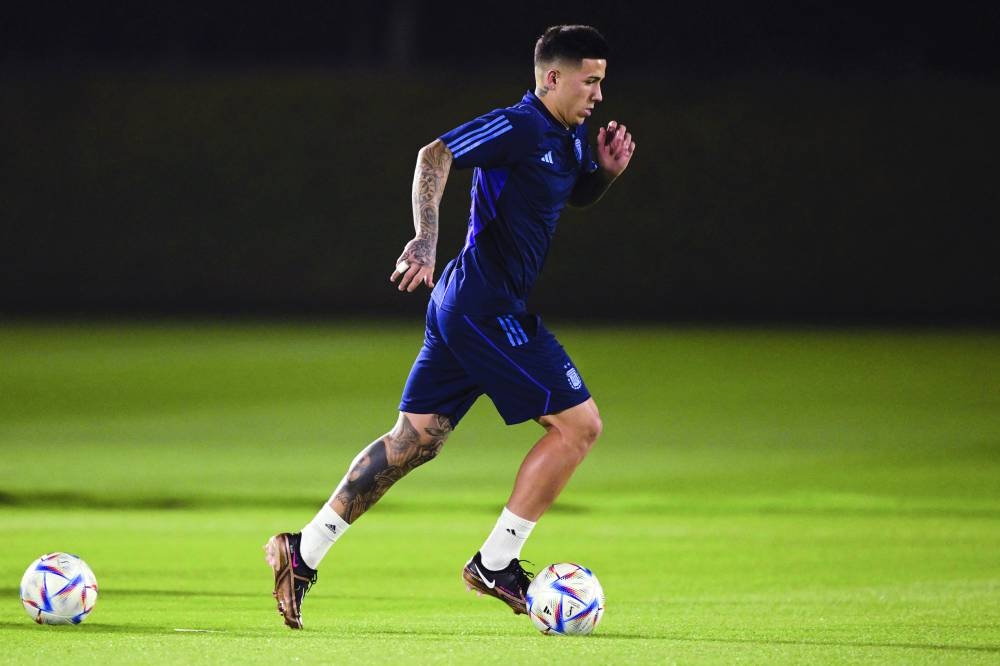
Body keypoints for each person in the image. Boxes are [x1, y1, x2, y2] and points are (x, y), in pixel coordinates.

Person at [265, 24, 636, 629]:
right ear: (552, 77)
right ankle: (496, 563)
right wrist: (424, 237)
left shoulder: (569, 136)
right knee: (579, 427)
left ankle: (301, 550)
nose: (598, 94)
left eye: (601, 81)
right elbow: (434, 155)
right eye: (589, 81)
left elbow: (567, 194)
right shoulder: (519, 125)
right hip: (485, 308)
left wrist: (605, 174)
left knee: (413, 442)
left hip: (468, 307)